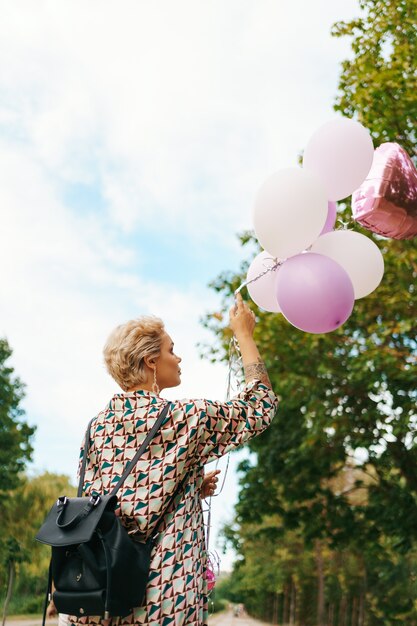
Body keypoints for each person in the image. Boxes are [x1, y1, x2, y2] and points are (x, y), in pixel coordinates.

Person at [65, 293, 277, 626]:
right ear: (150, 360)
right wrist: (244, 336)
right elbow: (260, 406)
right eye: (171, 349)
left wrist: (189, 486)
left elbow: (109, 502)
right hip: (165, 593)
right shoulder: (186, 418)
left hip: (103, 593)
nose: (178, 358)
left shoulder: (96, 427)